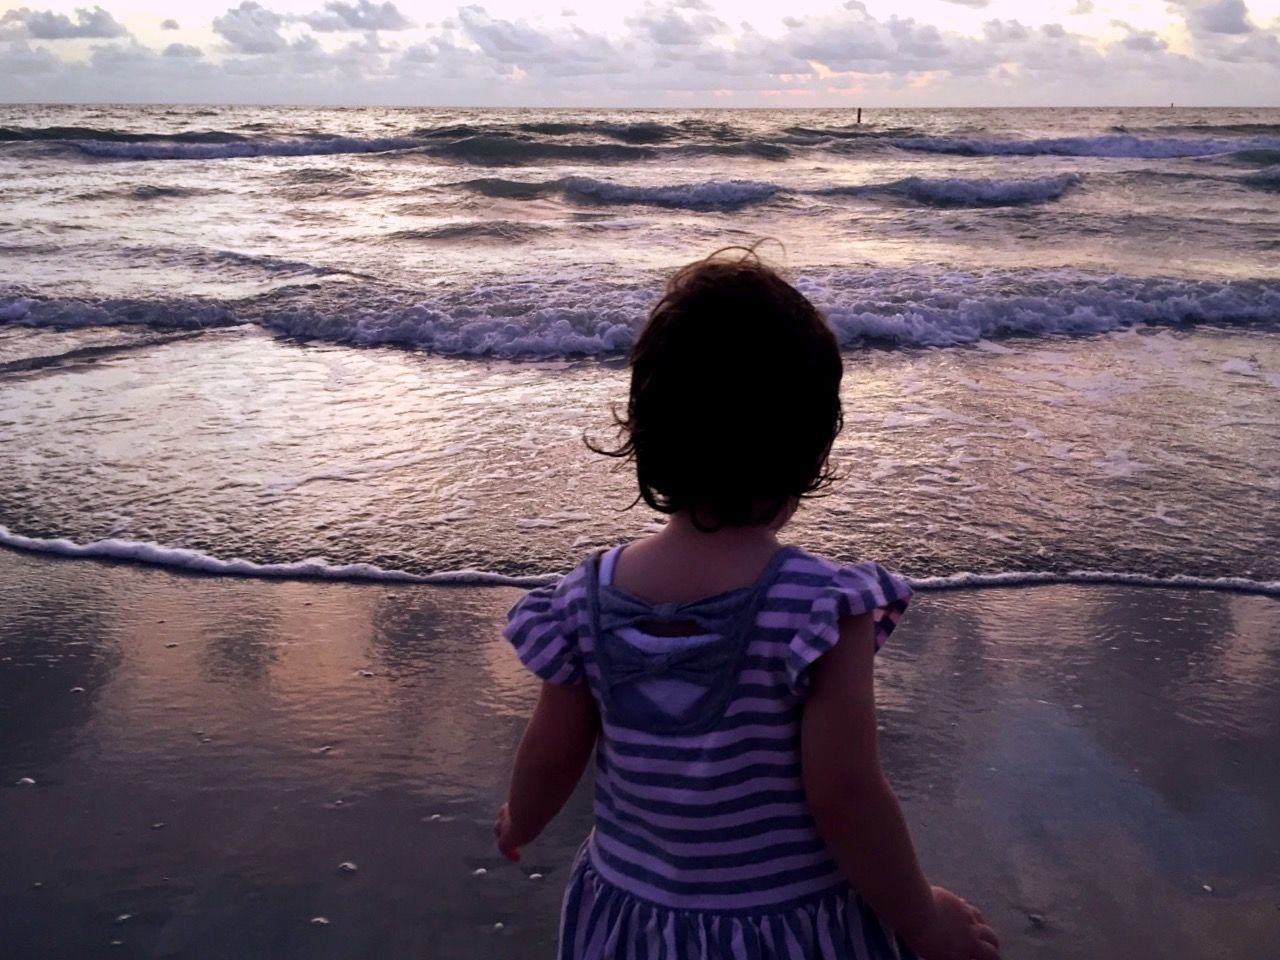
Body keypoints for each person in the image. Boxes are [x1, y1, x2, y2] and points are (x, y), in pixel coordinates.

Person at [494, 249, 1000, 960]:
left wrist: (521, 821)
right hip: (784, 928)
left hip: (634, 922)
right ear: (812, 445)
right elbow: (846, 794)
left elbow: (552, 753)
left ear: (648, 433)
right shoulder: (821, 609)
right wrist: (921, 918)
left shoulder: (586, 598)